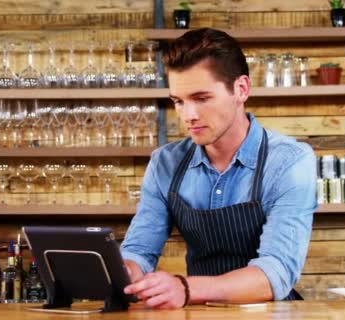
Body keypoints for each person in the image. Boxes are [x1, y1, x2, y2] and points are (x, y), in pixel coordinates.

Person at [121, 28, 317, 309]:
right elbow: (139, 252)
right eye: (179, 101)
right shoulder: (165, 163)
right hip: (197, 312)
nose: (188, 116)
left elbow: (277, 272)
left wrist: (186, 287)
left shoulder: (289, 161)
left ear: (241, 90)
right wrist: (126, 271)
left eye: (202, 98)